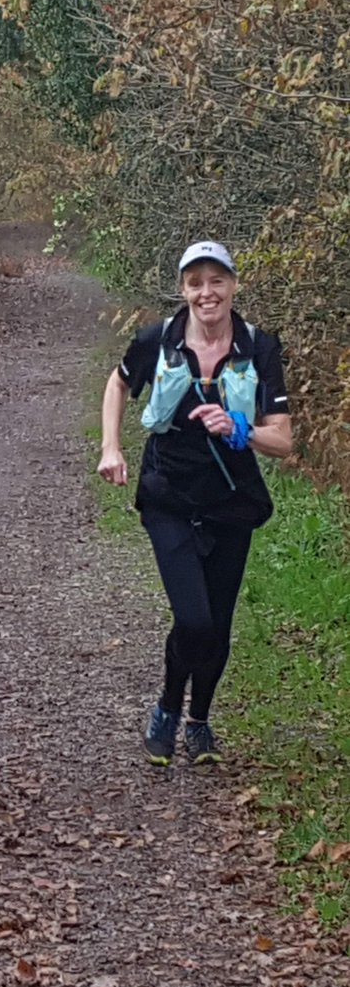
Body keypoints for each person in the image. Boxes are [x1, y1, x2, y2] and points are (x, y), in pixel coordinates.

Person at [98, 240, 292, 766]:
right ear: (183, 290)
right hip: (169, 495)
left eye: (216, 281)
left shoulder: (259, 347)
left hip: (232, 499)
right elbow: (117, 385)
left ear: (232, 285)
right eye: (195, 283)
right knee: (195, 619)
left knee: (219, 625)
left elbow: (284, 440)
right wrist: (111, 447)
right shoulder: (157, 340)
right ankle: (166, 708)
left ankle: (199, 721)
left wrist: (240, 427)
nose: (207, 293)